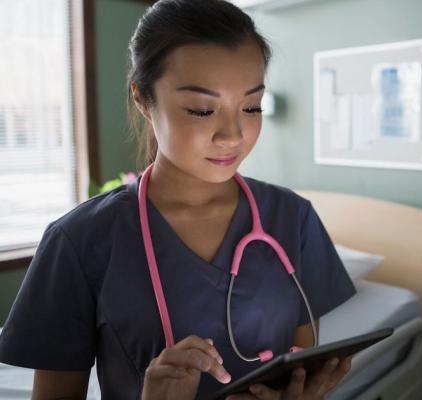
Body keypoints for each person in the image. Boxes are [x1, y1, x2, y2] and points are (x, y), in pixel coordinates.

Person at [0, 1, 357, 399]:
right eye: (202, 110)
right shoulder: (79, 240)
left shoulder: (293, 218)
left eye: (251, 106)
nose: (232, 135)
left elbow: (300, 363)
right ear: (143, 99)